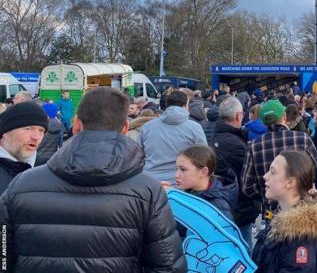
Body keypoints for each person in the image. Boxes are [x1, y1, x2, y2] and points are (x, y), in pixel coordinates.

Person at [0, 87, 186, 272]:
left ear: (77, 124)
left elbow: (3, 259)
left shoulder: (22, 184)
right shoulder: (149, 191)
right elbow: (167, 267)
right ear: (125, 128)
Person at [252, 150, 317, 273]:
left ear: (290, 182)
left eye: (272, 172)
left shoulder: (299, 240)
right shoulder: (286, 225)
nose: (265, 176)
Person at [242, 99, 317, 216]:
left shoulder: (254, 145)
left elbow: (247, 186)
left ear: (262, 121)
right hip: (303, 207)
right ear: (284, 116)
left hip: (272, 211)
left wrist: (269, 194)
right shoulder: (303, 139)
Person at [210, 97, 259, 247]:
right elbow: (249, 177)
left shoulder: (215, 138)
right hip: (239, 209)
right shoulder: (237, 145)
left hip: (220, 206)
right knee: (244, 250)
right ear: (239, 115)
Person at [140, 90, 208, 185]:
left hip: (151, 181)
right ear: (185, 106)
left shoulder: (147, 127)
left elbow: (138, 155)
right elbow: (203, 156)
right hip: (182, 183)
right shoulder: (194, 127)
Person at [164, 145, 238, 221]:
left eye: (183, 169)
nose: (176, 175)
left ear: (203, 172)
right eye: (177, 169)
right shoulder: (191, 191)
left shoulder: (217, 206)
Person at [0, 102, 48, 192]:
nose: (36, 137)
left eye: (41, 130)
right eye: (28, 129)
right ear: (5, 133)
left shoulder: (46, 169)